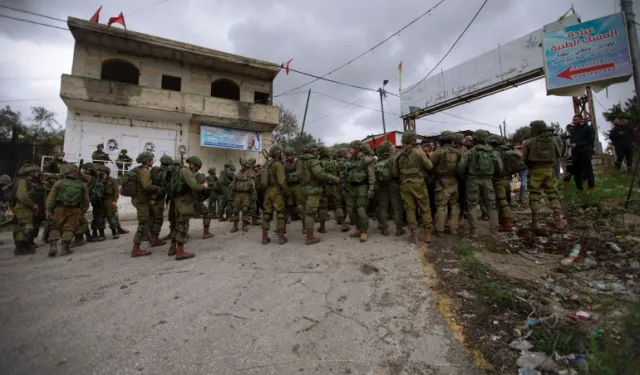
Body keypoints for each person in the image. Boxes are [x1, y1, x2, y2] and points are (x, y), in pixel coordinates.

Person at [522, 120, 568, 229]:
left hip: (534, 171)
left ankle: (535, 222)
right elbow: (558, 154)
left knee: (534, 195)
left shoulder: (527, 142)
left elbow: (523, 158)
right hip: (549, 171)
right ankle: (558, 220)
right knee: (553, 194)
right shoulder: (552, 141)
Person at [457, 130, 502, 238]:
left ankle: (474, 232)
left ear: (475, 139)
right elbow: (500, 168)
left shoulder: (470, 152)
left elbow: (460, 167)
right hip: (488, 181)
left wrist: (464, 177)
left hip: (472, 180)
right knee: (491, 205)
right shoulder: (492, 152)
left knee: (472, 206)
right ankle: (494, 231)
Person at [393, 131, 433, 244]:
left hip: (405, 185)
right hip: (419, 184)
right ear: (413, 140)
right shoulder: (419, 152)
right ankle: (427, 236)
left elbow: (395, 173)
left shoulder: (398, 155)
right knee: (425, 208)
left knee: (410, 210)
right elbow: (429, 166)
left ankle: (414, 236)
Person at [298, 143, 340, 244]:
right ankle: (310, 237)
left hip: (302, 188)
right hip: (313, 189)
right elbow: (319, 174)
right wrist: (334, 178)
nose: (317, 152)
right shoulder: (313, 160)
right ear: (313, 151)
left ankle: (306, 230)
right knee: (311, 212)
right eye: (316, 150)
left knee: (305, 210)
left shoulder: (300, 161)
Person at [168, 156, 208, 260]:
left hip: (176, 201)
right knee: (182, 226)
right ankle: (180, 252)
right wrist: (204, 186)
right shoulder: (186, 171)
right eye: (196, 168)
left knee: (177, 225)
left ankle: (172, 248)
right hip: (185, 202)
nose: (196, 170)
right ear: (192, 164)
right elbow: (194, 186)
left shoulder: (177, 170)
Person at [46, 164, 90, 257]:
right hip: (75, 209)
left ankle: (53, 246)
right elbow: (86, 201)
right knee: (69, 228)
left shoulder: (59, 183)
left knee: (55, 227)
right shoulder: (81, 185)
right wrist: (83, 211)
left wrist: (48, 210)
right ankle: (65, 248)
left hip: (59, 208)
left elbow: (51, 198)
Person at [430, 131, 461, 237]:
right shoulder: (457, 152)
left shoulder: (438, 152)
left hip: (442, 182)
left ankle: (439, 230)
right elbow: (460, 167)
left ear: (442, 140)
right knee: (454, 205)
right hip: (454, 181)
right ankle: (453, 229)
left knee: (441, 205)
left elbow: (430, 166)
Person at [130, 152, 160, 257]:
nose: (152, 161)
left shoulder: (138, 170)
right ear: (147, 161)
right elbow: (146, 187)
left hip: (140, 199)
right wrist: (157, 188)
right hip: (141, 201)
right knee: (143, 223)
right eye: (151, 159)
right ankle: (136, 248)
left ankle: (152, 239)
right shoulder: (145, 171)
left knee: (151, 216)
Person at [344, 140, 375, 242]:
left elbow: (371, 175)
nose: (350, 149)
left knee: (361, 209)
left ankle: (364, 231)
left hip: (362, 187)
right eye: (350, 148)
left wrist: (371, 189)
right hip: (351, 188)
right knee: (351, 210)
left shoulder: (366, 160)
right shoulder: (350, 160)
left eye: (352, 148)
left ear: (358, 149)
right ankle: (358, 228)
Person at [12, 164, 45, 255]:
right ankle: (20, 248)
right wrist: (32, 204)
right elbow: (22, 196)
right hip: (24, 208)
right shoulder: (23, 181)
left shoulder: (34, 182)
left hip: (30, 209)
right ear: (31, 172)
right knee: (26, 227)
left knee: (31, 227)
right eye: (37, 171)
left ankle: (26, 244)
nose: (38, 173)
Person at [375, 141, 405, 236]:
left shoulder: (378, 162)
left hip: (382, 187)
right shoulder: (394, 159)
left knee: (383, 208)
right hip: (394, 184)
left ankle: (385, 229)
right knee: (396, 207)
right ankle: (398, 229)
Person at [261, 145, 289, 245]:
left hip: (267, 191)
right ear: (277, 154)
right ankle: (281, 238)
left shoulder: (266, 164)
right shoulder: (277, 164)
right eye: (280, 153)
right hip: (276, 191)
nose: (282, 154)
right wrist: (287, 191)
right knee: (280, 213)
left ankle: (264, 238)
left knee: (266, 213)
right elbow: (281, 181)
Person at [317, 146, 347, 233]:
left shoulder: (319, 163)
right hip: (334, 187)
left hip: (323, 187)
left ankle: (322, 227)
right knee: (337, 205)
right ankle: (343, 224)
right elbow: (339, 175)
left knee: (322, 207)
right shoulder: (334, 163)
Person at [488, 135, 514, 231]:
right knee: (504, 198)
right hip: (507, 179)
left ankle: (507, 223)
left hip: (498, 179)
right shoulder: (507, 151)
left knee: (501, 200)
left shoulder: (493, 153)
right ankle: (503, 219)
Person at [148, 155, 173, 246]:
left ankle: (151, 236)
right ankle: (155, 239)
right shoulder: (168, 172)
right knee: (158, 219)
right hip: (159, 197)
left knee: (151, 217)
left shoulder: (154, 169)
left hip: (150, 196)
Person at [569, 114, 596, 193]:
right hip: (575, 152)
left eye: (576, 120)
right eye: (573, 120)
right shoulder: (574, 130)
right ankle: (580, 188)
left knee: (587, 170)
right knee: (576, 171)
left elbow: (590, 140)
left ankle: (591, 187)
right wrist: (571, 143)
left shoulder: (588, 128)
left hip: (585, 151)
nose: (574, 122)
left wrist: (577, 144)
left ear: (581, 120)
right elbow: (572, 139)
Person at [230, 159, 256, 233]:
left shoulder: (250, 174)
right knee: (235, 210)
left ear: (246, 165)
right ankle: (235, 226)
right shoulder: (238, 173)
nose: (242, 166)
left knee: (245, 209)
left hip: (246, 194)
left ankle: (244, 225)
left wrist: (253, 196)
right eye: (241, 165)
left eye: (243, 165)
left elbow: (252, 186)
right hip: (237, 194)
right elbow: (234, 183)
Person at [284, 147, 303, 223]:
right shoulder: (287, 163)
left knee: (300, 205)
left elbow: (300, 174)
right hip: (289, 186)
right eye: (286, 155)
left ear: (292, 154)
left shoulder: (298, 162)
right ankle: (292, 217)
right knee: (289, 204)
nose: (287, 157)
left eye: (288, 155)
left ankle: (304, 226)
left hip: (297, 185)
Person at [194, 172, 214, 239]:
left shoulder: (186, 175)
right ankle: (206, 233)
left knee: (183, 218)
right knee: (206, 214)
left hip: (185, 201)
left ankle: (183, 235)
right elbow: (206, 191)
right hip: (196, 200)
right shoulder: (200, 177)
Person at [562, 124, 575, 189]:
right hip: (570, 156)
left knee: (581, 171)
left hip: (578, 155)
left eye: (571, 128)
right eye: (568, 129)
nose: (570, 130)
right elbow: (566, 148)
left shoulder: (578, 135)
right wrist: (564, 156)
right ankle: (564, 186)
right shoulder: (567, 138)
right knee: (568, 171)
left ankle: (583, 185)